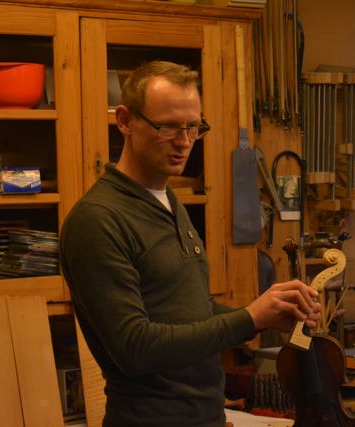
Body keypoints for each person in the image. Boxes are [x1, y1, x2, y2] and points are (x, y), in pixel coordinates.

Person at [60, 60, 320, 427]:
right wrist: (249, 318)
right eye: (167, 126)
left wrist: (267, 316)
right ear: (125, 120)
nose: (184, 142)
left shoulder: (170, 202)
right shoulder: (98, 220)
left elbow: (194, 311)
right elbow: (135, 347)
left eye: (193, 127)